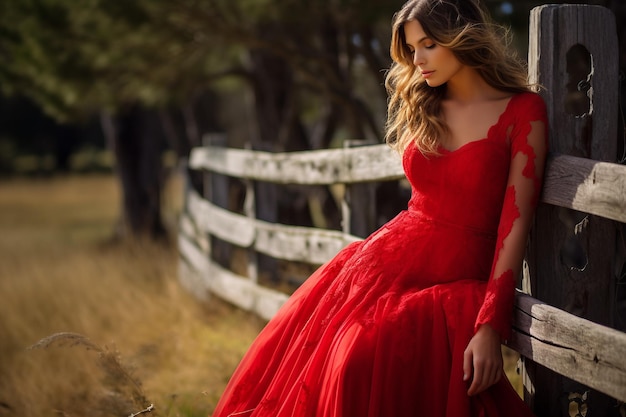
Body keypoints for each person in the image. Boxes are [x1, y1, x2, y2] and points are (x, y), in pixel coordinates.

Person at [210, 0, 547, 416]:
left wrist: (490, 323)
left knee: (357, 363)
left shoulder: (522, 111)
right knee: (331, 367)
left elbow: (515, 225)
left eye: (428, 45)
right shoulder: (427, 106)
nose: (417, 60)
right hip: (379, 267)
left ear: (462, 37)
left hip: (449, 278)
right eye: (411, 49)